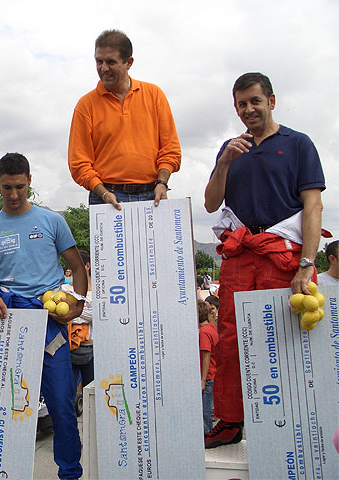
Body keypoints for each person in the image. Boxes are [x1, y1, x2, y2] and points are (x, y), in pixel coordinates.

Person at [203, 72, 325, 448]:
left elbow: (313, 204)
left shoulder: (299, 144)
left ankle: (296, 418)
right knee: (230, 338)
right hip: (240, 253)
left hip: (281, 254)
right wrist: (223, 163)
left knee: (286, 336)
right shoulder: (231, 147)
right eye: (241, 104)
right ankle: (230, 420)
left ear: (271, 101)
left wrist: (307, 262)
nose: (248, 110)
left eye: (255, 101)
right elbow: (210, 203)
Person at [0, 153, 88, 480]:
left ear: (30, 180)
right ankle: (5, 470)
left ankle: (70, 473)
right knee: (10, 404)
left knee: (62, 407)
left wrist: (77, 303)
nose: (13, 194)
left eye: (20, 187)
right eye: (7, 187)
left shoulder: (52, 221)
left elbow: (78, 268)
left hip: (51, 321)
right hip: (10, 323)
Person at [68, 29, 181, 210]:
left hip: (152, 194)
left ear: (129, 63)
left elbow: (171, 149)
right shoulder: (85, 105)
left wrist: (162, 182)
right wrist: (103, 192)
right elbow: (79, 163)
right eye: (99, 61)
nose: (103, 68)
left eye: (111, 62)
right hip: (105, 196)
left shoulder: (154, 95)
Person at [65, 250, 94, 389]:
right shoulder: (64, 289)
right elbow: (63, 315)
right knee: (69, 393)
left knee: (93, 392)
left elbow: (97, 315)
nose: (72, 269)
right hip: (69, 349)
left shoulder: (97, 292)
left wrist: (74, 311)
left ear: (87, 266)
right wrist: (85, 313)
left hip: (92, 348)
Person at [198, 301, 218, 434]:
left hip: (208, 376)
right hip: (212, 375)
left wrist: (203, 380)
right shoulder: (211, 328)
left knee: (205, 411)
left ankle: (207, 434)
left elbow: (206, 356)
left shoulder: (203, 333)